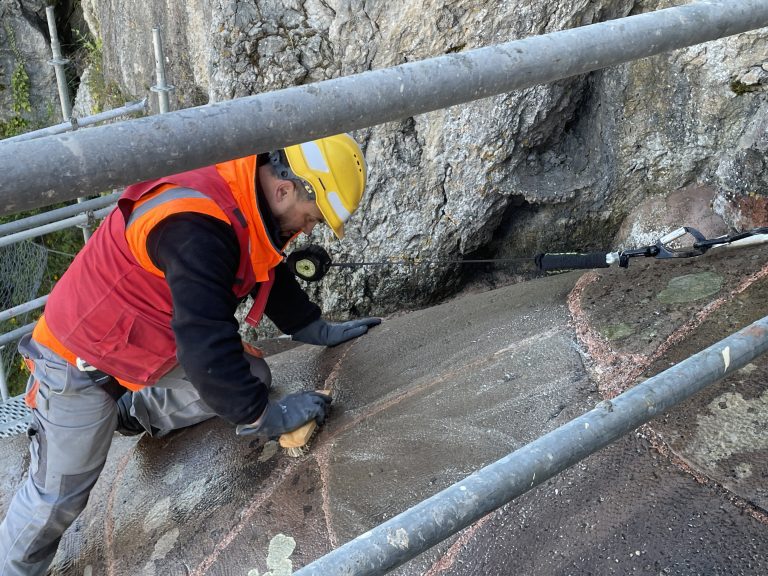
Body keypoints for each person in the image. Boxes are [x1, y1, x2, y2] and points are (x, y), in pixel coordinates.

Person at [0, 133, 380, 575]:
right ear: (284, 189)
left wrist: (310, 326)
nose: (309, 230)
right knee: (58, 496)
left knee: (249, 377)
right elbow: (203, 338)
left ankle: (132, 412)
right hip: (79, 357)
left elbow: (263, 261)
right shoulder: (196, 226)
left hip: (140, 342)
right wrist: (264, 419)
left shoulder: (242, 188)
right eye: (311, 217)